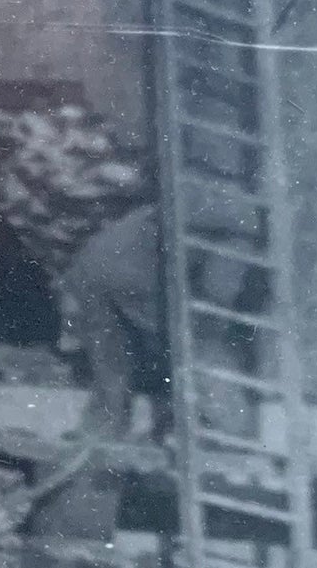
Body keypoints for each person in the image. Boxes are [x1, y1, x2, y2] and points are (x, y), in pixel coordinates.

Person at [58, 178, 264, 441]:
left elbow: (111, 363)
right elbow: (214, 300)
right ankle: (226, 432)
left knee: (122, 358)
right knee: (197, 338)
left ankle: (105, 432)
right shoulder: (239, 224)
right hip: (151, 261)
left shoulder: (95, 278)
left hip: (105, 262)